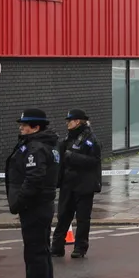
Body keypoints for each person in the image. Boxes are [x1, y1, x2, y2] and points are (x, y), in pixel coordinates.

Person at [6, 108, 59, 278]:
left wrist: (19, 202)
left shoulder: (36, 148)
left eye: (24, 126)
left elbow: (34, 178)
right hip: (41, 204)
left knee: (35, 254)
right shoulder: (47, 145)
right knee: (42, 253)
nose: (21, 128)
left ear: (36, 127)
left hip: (35, 206)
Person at [50, 109, 102, 259]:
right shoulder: (68, 138)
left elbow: (94, 161)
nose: (67, 123)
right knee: (63, 216)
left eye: (70, 121)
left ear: (78, 121)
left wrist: (72, 156)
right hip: (68, 184)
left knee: (82, 219)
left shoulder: (90, 139)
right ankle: (57, 247)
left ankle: (80, 248)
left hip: (84, 186)